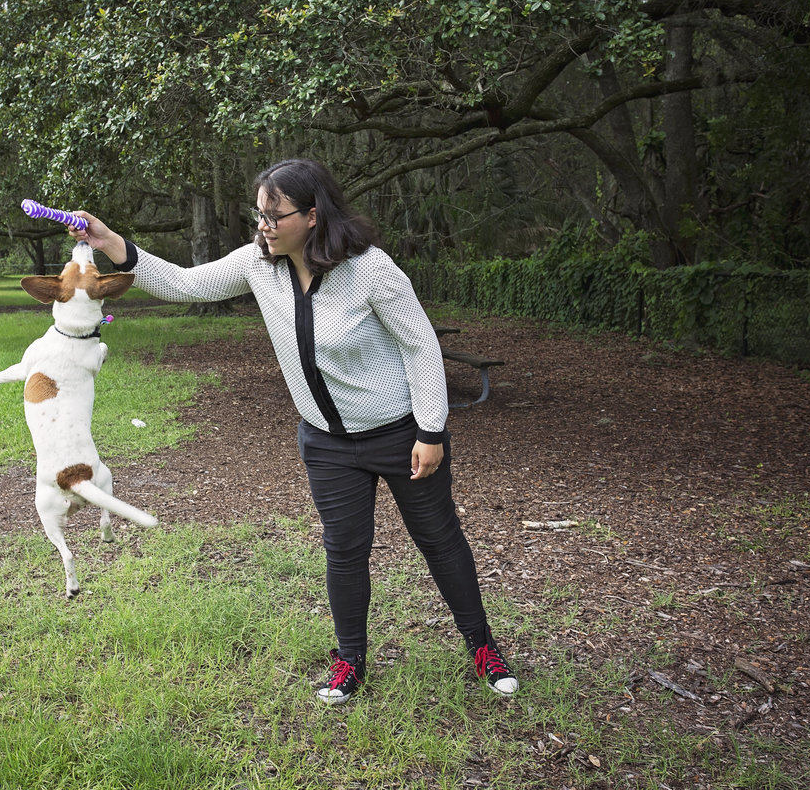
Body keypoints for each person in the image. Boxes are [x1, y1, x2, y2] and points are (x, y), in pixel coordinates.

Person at [67, 158, 518, 703]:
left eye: (274, 215)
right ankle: (350, 660)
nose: (264, 226)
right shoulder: (260, 264)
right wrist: (112, 241)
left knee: (439, 541)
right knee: (345, 550)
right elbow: (185, 284)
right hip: (327, 444)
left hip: (399, 434)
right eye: (259, 214)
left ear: (312, 214)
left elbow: (420, 345)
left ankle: (482, 647)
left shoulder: (370, 269)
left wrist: (431, 430)